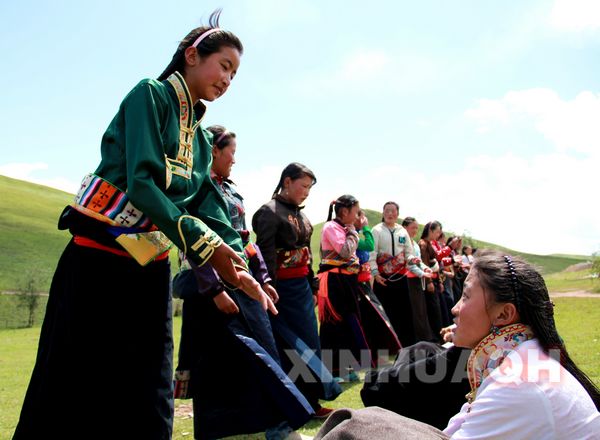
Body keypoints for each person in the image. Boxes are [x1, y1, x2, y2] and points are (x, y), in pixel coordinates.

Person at [13, 11, 274, 440]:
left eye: (235, 74)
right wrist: (204, 246)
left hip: (149, 266)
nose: (229, 79)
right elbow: (142, 181)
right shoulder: (149, 96)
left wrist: (239, 262)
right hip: (98, 262)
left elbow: (208, 202)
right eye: (224, 65)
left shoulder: (203, 139)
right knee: (70, 379)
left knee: (149, 384)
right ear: (192, 55)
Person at [317, 250, 600, 439]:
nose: (454, 309)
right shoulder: (520, 358)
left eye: (465, 297)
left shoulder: (517, 382)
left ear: (504, 314)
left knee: (359, 426)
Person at [172, 125, 313, 439]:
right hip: (209, 290)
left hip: (243, 285)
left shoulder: (233, 193)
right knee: (211, 365)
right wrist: (215, 288)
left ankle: (278, 426)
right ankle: (213, 430)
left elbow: (244, 241)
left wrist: (262, 278)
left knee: (264, 353)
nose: (235, 159)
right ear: (214, 151)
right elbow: (194, 243)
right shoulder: (195, 189)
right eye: (231, 152)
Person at [252, 163, 340, 419]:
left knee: (309, 345)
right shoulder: (268, 213)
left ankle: (311, 402)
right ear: (287, 182)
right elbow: (265, 255)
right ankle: (292, 404)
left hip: (301, 290)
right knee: (287, 347)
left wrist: (312, 286)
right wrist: (267, 287)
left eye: (309, 189)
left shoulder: (301, 215)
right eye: (303, 186)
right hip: (281, 292)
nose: (306, 193)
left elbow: (306, 256)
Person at [369, 201, 418, 347]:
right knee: (384, 312)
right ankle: (386, 346)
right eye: (387, 210)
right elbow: (372, 253)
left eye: (393, 211)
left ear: (398, 213)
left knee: (403, 311)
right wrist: (375, 273)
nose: (390, 214)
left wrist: (412, 259)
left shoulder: (402, 231)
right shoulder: (376, 230)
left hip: (400, 277)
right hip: (382, 278)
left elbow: (408, 253)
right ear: (383, 213)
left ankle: (406, 344)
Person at [402, 217, 434, 342]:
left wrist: (425, 269)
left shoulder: (414, 244)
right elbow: (408, 263)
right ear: (404, 227)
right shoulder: (402, 242)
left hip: (417, 279)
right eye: (412, 227)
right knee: (414, 311)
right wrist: (422, 273)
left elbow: (419, 261)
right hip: (408, 279)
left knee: (420, 310)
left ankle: (423, 338)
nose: (415, 230)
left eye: (416, 228)